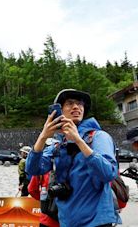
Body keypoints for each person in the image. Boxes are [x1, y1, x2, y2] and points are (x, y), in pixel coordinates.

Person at [26, 89, 121, 226]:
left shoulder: (99, 137)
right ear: (59, 112)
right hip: (67, 221)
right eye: (70, 103)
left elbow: (108, 173)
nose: (76, 107)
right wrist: (43, 136)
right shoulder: (59, 144)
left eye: (80, 104)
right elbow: (33, 169)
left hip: (96, 221)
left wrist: (78, 141)